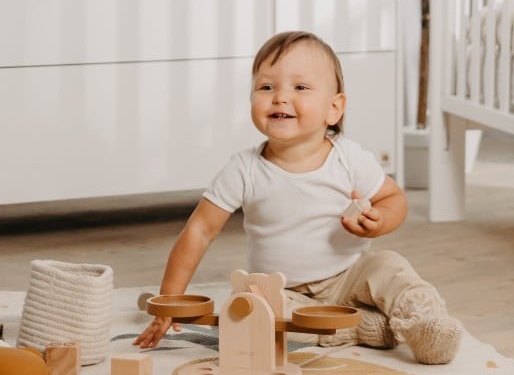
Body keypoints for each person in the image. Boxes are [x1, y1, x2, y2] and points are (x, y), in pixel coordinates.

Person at [133, 30, 464, 365]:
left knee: (390, 266)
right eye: (266, 87)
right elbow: (199, 231)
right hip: (282, 291)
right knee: (248, 312)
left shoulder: (348, 158)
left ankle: (427, 324)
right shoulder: (244, 169)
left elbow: (394, 198)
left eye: (300, 87)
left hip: (351, 274)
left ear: (333, 109)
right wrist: (169, 302)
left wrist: (379, 222)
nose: (279, 98)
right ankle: (363, 327)